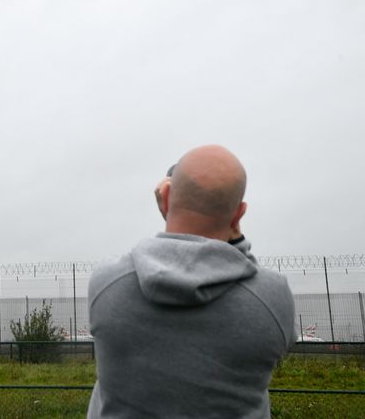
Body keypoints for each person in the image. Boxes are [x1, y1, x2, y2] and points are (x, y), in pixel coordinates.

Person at [87, 145, 296, 418]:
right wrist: (234, 239)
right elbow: (249, 275)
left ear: (165, 196)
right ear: (239, 214)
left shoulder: (107, 283)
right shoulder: (273, 298)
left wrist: (172, 213)